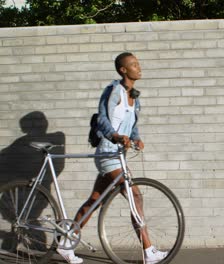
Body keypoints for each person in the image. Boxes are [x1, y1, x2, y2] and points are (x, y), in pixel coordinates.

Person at [56, 52, 167, 264]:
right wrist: (115, 136)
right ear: (123, 70)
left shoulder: (134, 96)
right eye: (134, 64)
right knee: (135, 196)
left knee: (95, 200)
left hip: (119, 154)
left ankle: (65, 244)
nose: (139, 67)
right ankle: (148, 250)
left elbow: (131, 126)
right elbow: (103, 119)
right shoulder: (113, 90)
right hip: (108, 152)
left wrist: (136, 138)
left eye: (138, 63)